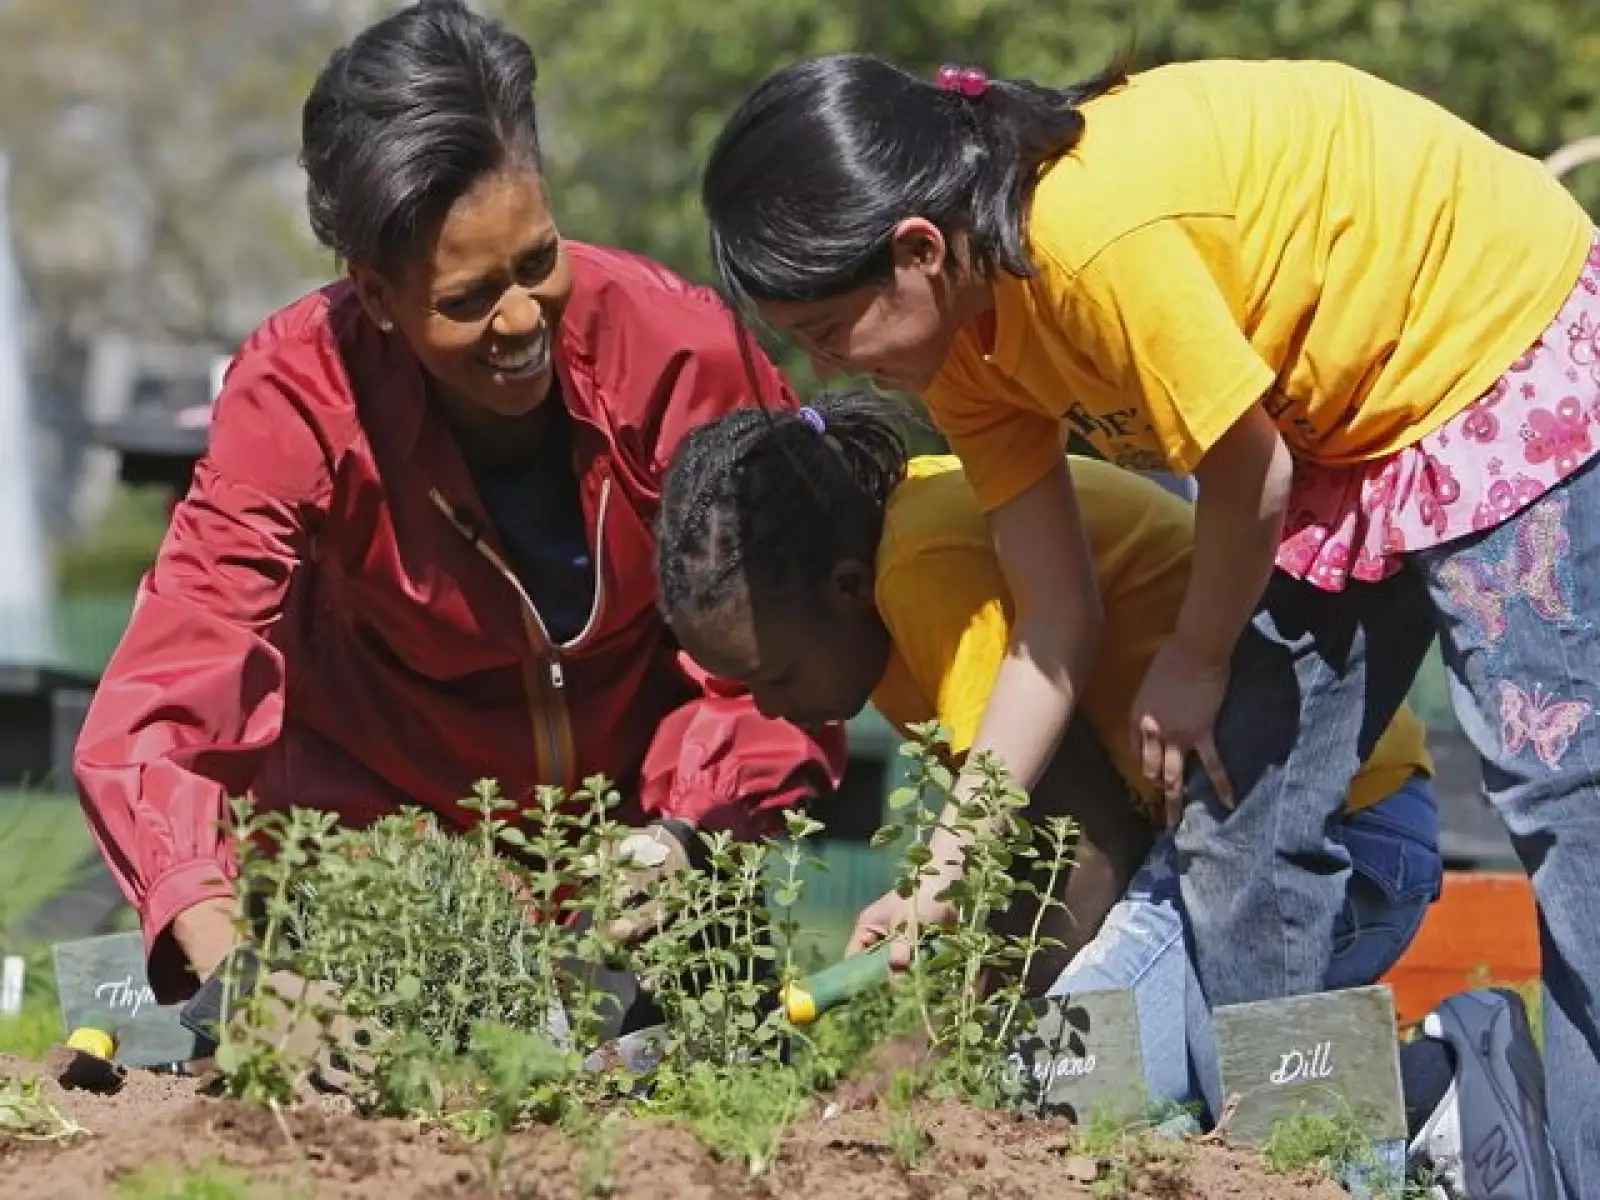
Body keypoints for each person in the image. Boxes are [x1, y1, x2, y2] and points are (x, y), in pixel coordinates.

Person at [701, 53, 1594, 1195]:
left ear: (919, 249)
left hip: (1488, 341)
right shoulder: (965, 348)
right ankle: (1327, 1169)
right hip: (1329, 435)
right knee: (1245, 824)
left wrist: (1197, 656)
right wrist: (939, 880)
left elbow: (1248, 472)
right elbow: (1050, 626)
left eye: (828, 328)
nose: (823, 367)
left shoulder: (1083, 243)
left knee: (1567, 820)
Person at [70, 0, 844, 1020]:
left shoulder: (678, 353)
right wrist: (235, 973)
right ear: (377, 295)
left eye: (537, 262)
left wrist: (688, 832)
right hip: (385, 876)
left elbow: (789, 646)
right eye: (468, 298)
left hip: (645, 872)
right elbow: (177, 676)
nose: (521, 319)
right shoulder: (296, 391)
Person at [654, 390, 1553, 1194]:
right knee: (1120, 1076)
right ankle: (1424, 1104)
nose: (768, 707)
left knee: (1063, 1091)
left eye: (773, 674)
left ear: (843, 590)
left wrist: (956, 1038)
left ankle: (1447, 1100)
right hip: (1230, 847)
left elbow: (1079, 853)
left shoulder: (919, 566)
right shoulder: (890, 555)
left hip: (1335, 834)